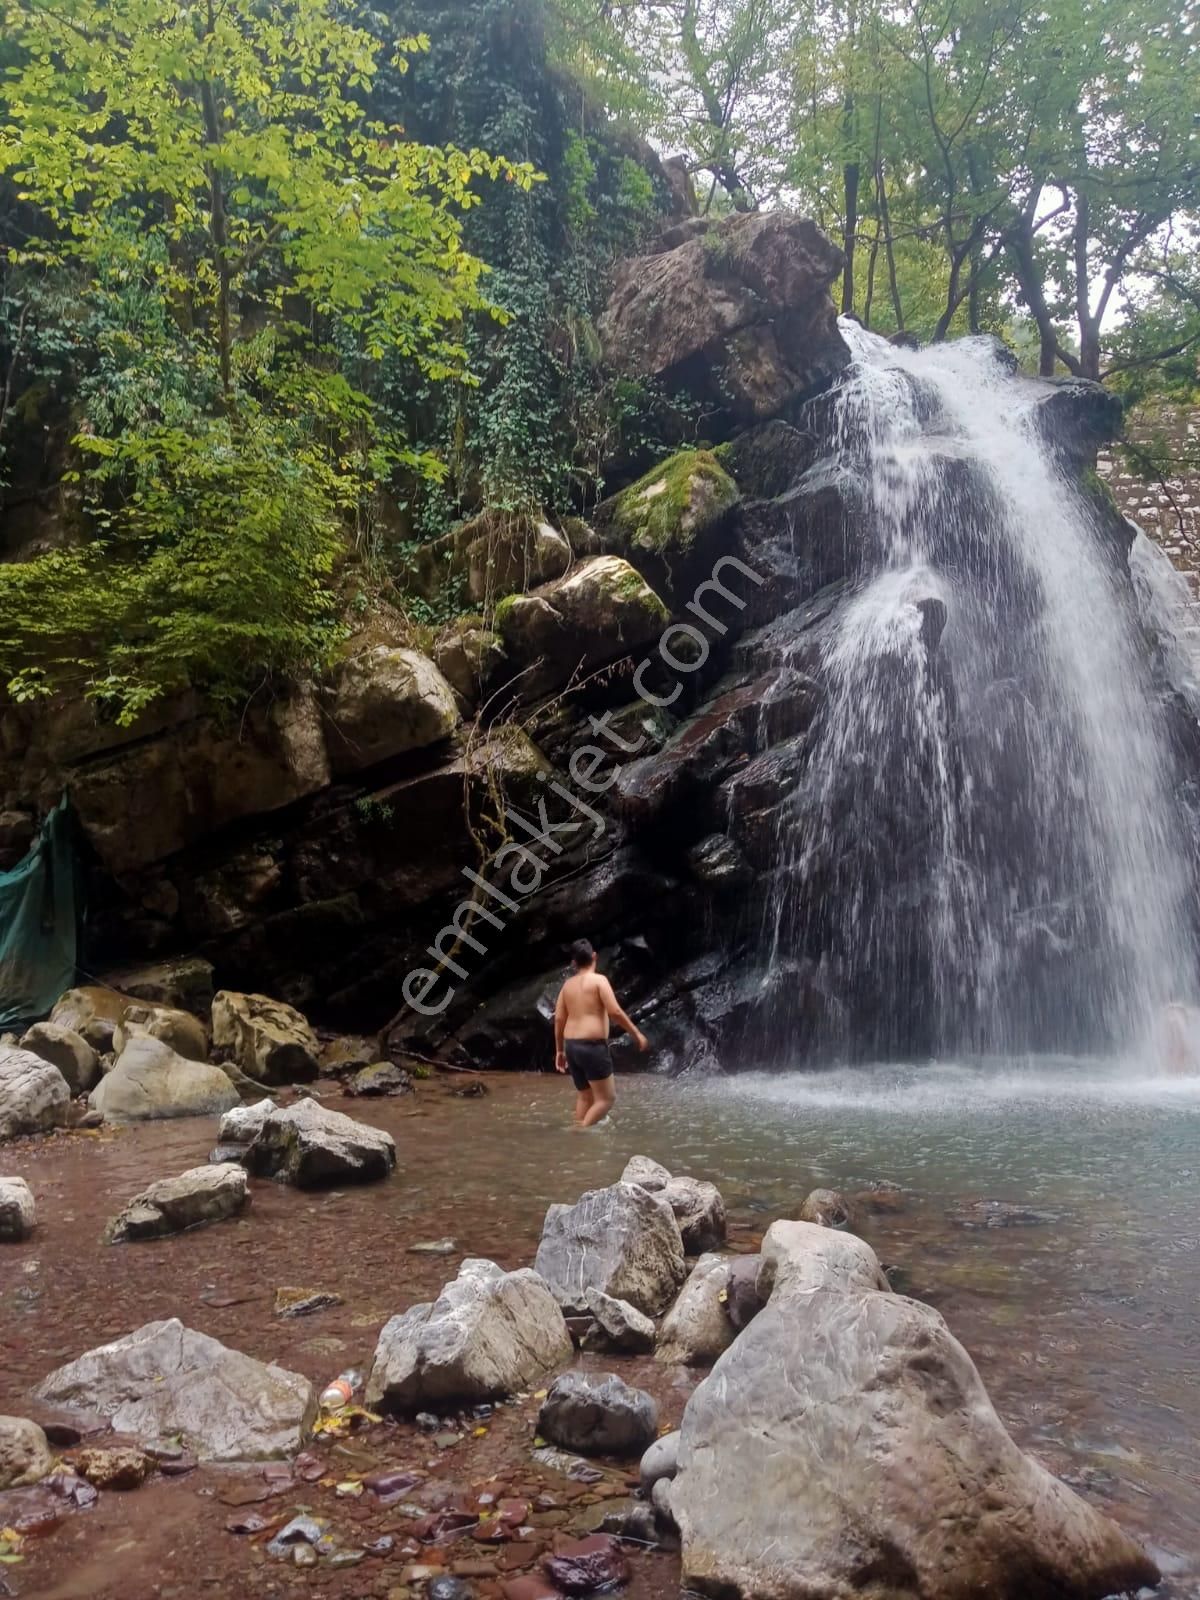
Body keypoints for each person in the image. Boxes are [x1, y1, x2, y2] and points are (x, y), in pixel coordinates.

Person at [554, 938, 648, 1127]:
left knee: (585, 1096)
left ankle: (578, 1136)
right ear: (594, 957)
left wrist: (559, 1051)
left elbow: (558, 1019)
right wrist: (636, 1033)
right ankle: (580, 1131)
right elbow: (615, 1012)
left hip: (571, 1046)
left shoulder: (567, 986)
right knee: (606, 1099)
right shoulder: (599, 981)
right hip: (591, 1047)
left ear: (574, 963)